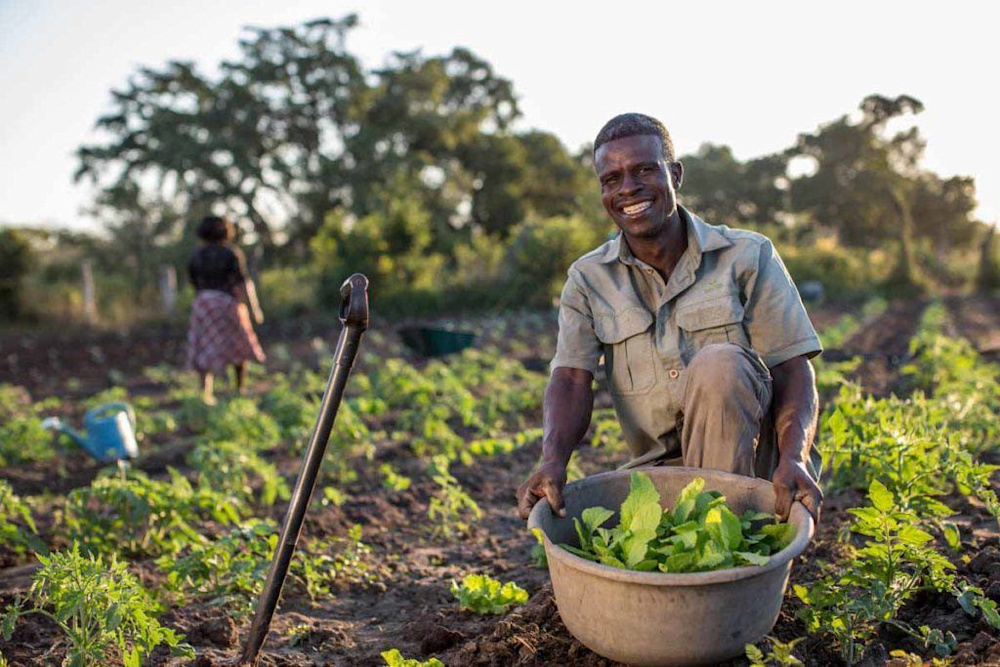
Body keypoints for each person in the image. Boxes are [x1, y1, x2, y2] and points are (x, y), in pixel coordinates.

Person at [517, 113, 824, 524]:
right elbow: (571, 378)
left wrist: (795, 458)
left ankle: (722, 528)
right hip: (657, 478)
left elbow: (792, 367)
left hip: (754, 475)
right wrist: (552, 460)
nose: (628, 188)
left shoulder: (746, 256)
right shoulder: (589, 279)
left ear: (675, 175)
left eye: (644, 170)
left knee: (721, 364)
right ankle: (689, 535)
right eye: (612, 179)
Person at [186, 215, 265, 404]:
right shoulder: (231, 253)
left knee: (205, 347)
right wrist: (255, 309)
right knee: (237, 345)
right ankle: (239, 389)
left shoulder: (196, 255)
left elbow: (195, 284)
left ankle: (205, 393)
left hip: (204, 304)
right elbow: (243, 282)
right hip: (227, 302)